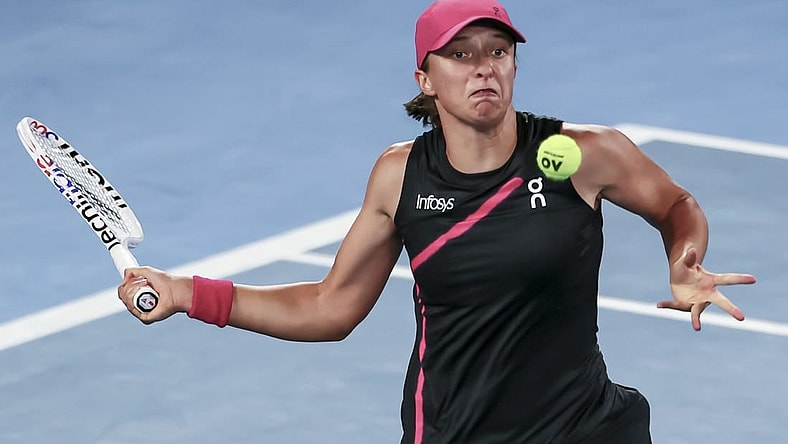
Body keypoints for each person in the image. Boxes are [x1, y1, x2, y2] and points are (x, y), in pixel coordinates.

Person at [117, 0, 757, 442]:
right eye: (460, 54)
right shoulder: (400, 177)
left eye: (498, 51)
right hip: (455, 431)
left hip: (582, 428)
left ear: (513, 65)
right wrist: (186, 295)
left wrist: (684, 260)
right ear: (425, 78)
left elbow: (676, 205)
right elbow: (328, 307)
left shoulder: (585, 155)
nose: (483, 66)